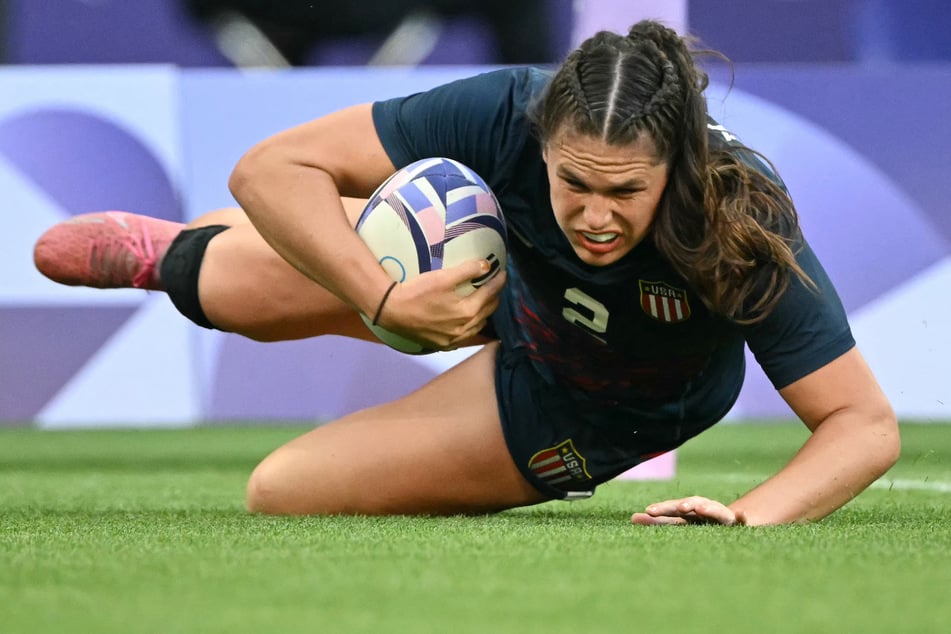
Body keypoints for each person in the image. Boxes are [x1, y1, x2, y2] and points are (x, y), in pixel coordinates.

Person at [33, 20, 899, 525]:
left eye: (625, 193)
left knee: (282, 493)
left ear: (673, 166)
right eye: (573, 184)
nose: (596, 217)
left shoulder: (735, 216)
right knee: (237, 282)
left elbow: (861, 426)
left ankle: (221, 250)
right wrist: (383, 298)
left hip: (594, 393)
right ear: (542, 141)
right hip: (497, 281)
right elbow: (269, 168)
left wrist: (750, 516)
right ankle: (185, 260)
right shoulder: (506, 108)